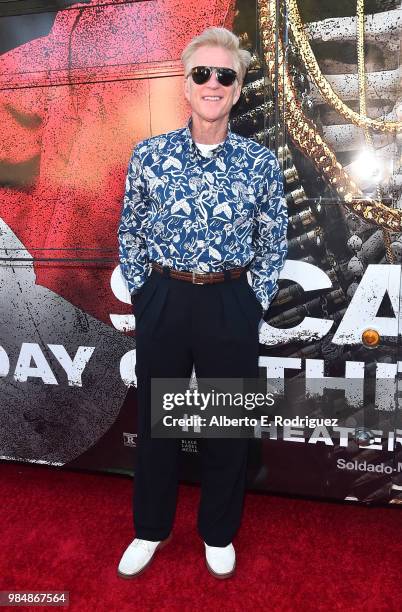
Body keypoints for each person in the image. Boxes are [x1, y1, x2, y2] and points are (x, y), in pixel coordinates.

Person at [117, 26, 288, 579]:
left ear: (237, 90)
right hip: (164, 299)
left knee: (224, 427)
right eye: (202, 74)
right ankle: (150, 529)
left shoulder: (260, 164)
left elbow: (274, 238)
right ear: (185, 87)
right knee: (157, 426)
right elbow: (131, 231)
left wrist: (251, 301)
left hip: (228, 303)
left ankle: (217, 532)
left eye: (225, 75)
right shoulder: (148, 156)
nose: (213, 83)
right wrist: (146, 295)